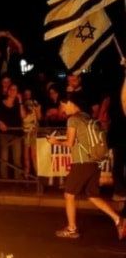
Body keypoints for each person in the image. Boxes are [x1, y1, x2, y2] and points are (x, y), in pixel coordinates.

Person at [48, 91, 126, 240]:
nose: (62, 109)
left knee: (69, 194)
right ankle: (119, 220)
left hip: (82, 163)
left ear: (70, 103)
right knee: (93, 195)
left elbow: (70, 143)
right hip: (94, 162)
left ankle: (72, 229)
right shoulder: (88, 118)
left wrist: (54, 142)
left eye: (63, 105)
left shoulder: (73, 120)